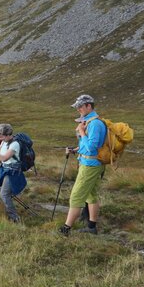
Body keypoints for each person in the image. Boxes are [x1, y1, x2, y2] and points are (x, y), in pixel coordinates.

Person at [59, 95, 107, 236]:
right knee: (91, 195)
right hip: (90, 162)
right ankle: (92, 227)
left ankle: (66, 229)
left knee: (76, 196)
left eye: (80, 106)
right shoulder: (89, 121)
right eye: (77, 107)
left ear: (89, 106)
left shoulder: (95, 124)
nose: (78, 109)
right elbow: (87, 146)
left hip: (90, 165)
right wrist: (76, 149)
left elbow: (92, 148)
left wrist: (81, 131)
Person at [0, 123, 26, 222]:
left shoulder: (15, 144)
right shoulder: (4, 142)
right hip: (5, 169)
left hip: (13, 172)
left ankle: (14, 217)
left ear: (8, 134)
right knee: (5, 193)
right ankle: (11, 214)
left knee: (4, 194)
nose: (0, 138)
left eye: (1, 136)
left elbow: (3, 158)